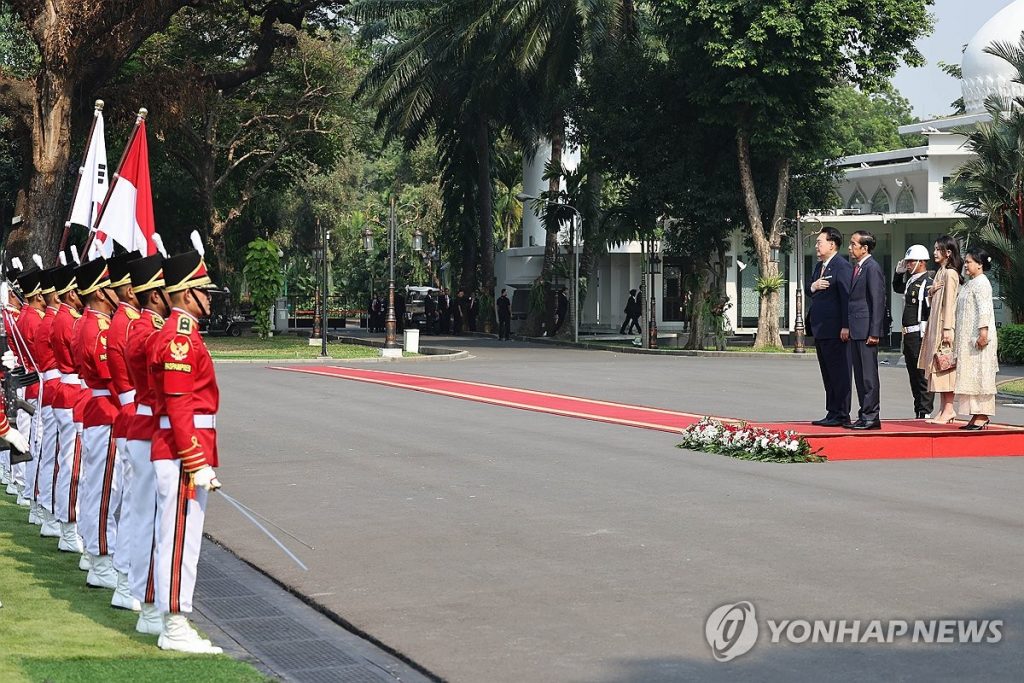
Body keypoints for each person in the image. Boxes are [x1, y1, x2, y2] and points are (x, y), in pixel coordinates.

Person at [148, 239, 223, 654]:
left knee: (177, 536)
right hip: (182, 453)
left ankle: (172, 618)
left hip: (185, 451)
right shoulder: (179, 338)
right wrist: (194, 461)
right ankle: (174, 624)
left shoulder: (184, 334)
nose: (208, 299)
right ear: (185, 294)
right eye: (203, 291)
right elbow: (179, 407)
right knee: (180, 538)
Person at [124, 252, 170, 634]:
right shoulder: (150, 332)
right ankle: (149, 603)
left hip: (142, 421)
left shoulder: (145, 327)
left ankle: (142, 595)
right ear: (154, 295)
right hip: (149, 425)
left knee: (143, 514)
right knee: (151, 520)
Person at [73, 256, 123, 591]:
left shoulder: (89, 322)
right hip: (105, 409)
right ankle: (102, 558)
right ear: (102, 292)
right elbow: (115, 377)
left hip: (98, 407)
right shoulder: (100, 330)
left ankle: (95, 551)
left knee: (97, 486)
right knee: (106, 489)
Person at [104, 251, 143, 610]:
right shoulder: (128, 326)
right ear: (130, 290)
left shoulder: (126, 322)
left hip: (129, 410)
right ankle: (125, 575)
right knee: (134, 502)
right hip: (132, 412)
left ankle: (126, 573)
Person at [806, 226, 853, 427]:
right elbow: (810, 287)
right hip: (821, 328)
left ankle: (842, 413)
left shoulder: (841, 266)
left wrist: (846, 325)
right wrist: (813, 286)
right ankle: (832, 411)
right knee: (828, 373)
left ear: (832, 244)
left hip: (836, 330)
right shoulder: (820, 266)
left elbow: (846, 298)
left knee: (839, 373)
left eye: (820, 242)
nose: (817, 246)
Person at [842, 230, 885, 430]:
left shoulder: (872, 268)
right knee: (859, 376)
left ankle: (871, 416)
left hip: (867, 330)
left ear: (864, 248)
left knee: (868, 376)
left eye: (853, 244)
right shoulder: (857, 268)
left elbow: (877, 301)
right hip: (856, 329)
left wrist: (874, 331)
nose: (850, 248)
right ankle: (863, 414)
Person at [954, 247, 1000, 430]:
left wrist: (983, 333)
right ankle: (975, 414)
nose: (965, 265)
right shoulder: (970, 283)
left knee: (981, 375)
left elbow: (985, 309)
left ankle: (983, 415)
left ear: (980, 265)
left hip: (980, 338)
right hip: (968, 339)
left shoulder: (982, 283)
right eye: (965, 261)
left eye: (969, 262)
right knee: (970, 376)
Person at [919, 235, 963, 424]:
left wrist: (948, 328)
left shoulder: (950, 273)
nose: (934, 252)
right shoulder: (940, 272)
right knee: (937, 367)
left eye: (938, 249)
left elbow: (950, 303)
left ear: (948, 252)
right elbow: (934, 301)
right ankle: (942, 409)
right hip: (934, 325)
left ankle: (949, 409)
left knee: (944, 367)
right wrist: (932, 291)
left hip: (944, 326)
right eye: (935, 249)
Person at [893, 245, 934, 418]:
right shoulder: (911, 280)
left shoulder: (927, 281)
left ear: (921, 262)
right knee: (913, 375)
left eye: (910, 262)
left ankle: (925, 412)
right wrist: (898, 273)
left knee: (922, 375)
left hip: (920, 334)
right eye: (907, 261)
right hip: (908, 334)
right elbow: (897, 288)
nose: (908, 265)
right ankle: (918, 410)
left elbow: (929, 310)